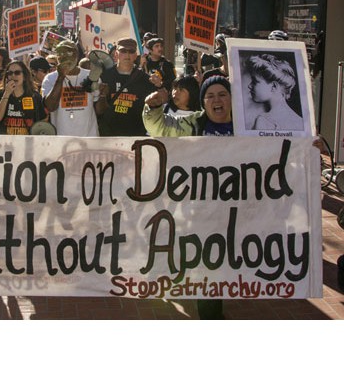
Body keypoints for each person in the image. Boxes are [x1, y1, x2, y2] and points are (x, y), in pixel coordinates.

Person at [143, 75, 233, 320]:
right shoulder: (193, 124)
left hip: (238, 210)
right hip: (201, 210)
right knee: (209, 264)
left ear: (232, 100)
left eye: (222, 94)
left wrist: (309, 148)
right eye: (210, 95)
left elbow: (282, 147)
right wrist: (152, 107)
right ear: (203, 102)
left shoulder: (248, 127)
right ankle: (211, 315)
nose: (217, 100)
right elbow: (159, 127)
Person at [96, 38, 156, 136]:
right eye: (123, 51)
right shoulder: (104, 76)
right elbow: (98, 110)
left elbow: (154, 108)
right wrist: (102, 95)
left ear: (135, 55)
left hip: (135, 134)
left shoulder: (145, 79)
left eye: (131, 51)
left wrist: (159, 86)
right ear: (116, 54)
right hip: (109, 134)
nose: (127, 55)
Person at [42, 40, 100, 136]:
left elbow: (98, 109)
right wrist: (60, 78)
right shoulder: (50, 78)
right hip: (62, 140)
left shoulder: (91, 76)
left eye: (68, 52)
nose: (64, 56)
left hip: (88, 138)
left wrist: (102, 94)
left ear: (76, 55)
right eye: (60, 53)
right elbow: (50, 107)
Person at [245, 53, 304, 131]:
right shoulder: (301, 121)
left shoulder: (264, 121)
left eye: (255, 81)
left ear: (274, 86)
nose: (249, 86)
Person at [0, 60, 47, 135]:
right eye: (10, 73)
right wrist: (6, 94)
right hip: (5, 142)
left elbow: (41, 120)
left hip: (27, 142)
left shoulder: (34, 96)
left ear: (24, 76)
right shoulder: (0, 95)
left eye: (17, 73)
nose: (13, 76)